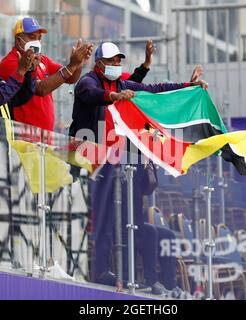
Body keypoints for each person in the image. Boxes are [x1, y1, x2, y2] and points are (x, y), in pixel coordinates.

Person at [70, 42, 207, 296]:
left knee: (129, 224)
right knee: (103, 222)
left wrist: (188, 86)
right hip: (93, 164)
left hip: (121, 167)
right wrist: (113, 97)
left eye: (117, 61)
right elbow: (90, 94)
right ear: (99, 63)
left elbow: (155, 89)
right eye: (111, 61)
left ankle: (134, 277)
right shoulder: (88, 82)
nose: (115, 65)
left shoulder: (122, 84)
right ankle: (101, 271)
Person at [0, 16, 93, 132]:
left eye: (39, 38)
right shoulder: (10, 62)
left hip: (45, 134)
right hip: (22, 134)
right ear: (18, 40)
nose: (36, 42)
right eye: (32, 37)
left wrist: (78, 62)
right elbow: (40, 89)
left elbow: (71, 77)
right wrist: (71, 66)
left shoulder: (42, 59)